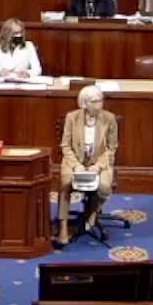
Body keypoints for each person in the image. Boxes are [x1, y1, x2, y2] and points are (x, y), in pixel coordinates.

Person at [57, 85, 118, 247]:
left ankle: (92, 212)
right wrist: (76, 165)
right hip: (74, 161)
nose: (100, 104)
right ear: (84, 103)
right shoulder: (72, 117)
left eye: (100, 100)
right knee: (65, 184)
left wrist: (98, 166)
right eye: (95, 101)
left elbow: (112, 148)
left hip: (99, 162)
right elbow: (65, 146)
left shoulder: (109, 118)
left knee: (104, 187)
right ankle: (63, 226)